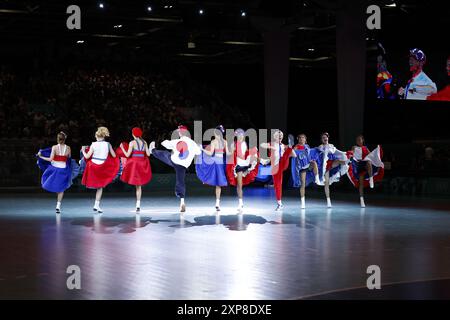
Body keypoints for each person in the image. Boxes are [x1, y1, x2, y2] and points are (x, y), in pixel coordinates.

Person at [149, 125, 201, 213]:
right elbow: (198, 152)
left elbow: (165, 144)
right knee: (180, 181)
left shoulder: (177, 141)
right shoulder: (192, 143)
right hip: (184, 165)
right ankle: (182, 201)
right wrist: (197, 147)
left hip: (174, 161)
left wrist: (163, 141)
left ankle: (153, 151)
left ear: (181, 133)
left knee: (165, 154)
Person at [37, 132, 79, 213]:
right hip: (63, 170)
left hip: (54, 169)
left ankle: (58, 205)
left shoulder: (54, 147)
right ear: (64, 139)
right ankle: (58, 205)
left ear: (57, 139)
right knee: (61, 188)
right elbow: (69, 159)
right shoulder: (68, 148)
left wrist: (41, 156)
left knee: (57, 186)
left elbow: (50, 159)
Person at [81, 126, 120, 213]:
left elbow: (87, 156)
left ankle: (96, 205)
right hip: (102, 167)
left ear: (97, 136)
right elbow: (114, 156)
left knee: (84, 160)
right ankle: (96, 205)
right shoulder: (108, 144)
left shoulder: (93, 144)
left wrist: (83, 150)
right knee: (100, 187)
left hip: (93, 167)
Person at [195, 125, 231, 211]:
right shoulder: (225, 142)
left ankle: (206, 179)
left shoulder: (214, 141)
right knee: (218, 185)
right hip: (221, 163)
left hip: (216, 162)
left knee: (211, 175)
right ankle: (217, 203)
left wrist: (203, 149)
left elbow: (210, 153)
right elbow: (228, 154)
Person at [260, 130, 295, 211]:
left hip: (283, 164)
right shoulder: (272, 144)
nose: (280, 136)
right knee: (277, 185)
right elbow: (262, 145)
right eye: (278, 135)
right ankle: (279, 204)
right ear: (275, 136)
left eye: (281, 135)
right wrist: (270, 146)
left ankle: (290, 146)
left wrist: (290, 150)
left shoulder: (283, 146)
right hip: (275, 167)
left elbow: (294, 155)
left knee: (285, 156)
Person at [118, 127, 152, 213]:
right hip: (141, 164)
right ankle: (138, 205)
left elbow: (127, 154)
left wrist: (122, 148)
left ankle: (137, 205)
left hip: (134, 165)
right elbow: (148, 154)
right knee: (139, 186)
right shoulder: (144, 142)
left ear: (133, 134)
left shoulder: (132, 142)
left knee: (136, 185)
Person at [226, 128, 259, 213]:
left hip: (245, 163)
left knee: (255, 154)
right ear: (236, 136)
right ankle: (240, 203)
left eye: (242, 135)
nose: (240, 137)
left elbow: (245, 154)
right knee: (239, 185)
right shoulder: (234, 144)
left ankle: (262, 160)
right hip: (238, 165)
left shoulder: (244, 144)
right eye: (239, 135)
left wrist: (252, 152)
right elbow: (229, 154)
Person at [346, 135, 384, 207]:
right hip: (357, 165)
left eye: (359, 140)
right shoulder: (354, 147)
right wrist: (349, 155)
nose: (358, 141)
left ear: (362, 140)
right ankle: (361, 199)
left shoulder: (365, 148)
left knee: (369, 161)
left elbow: (371, 155)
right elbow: (352, 153)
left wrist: (376, 153)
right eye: (357, 140)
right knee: (361, 183)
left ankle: (371, 179)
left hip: (364, 164)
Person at [314, 132, 349, 208]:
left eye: (326, 137)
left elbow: (337, 152)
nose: (325, 138)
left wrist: (345, 154)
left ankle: (348, 161)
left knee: (340, 162)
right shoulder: (320, 146)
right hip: (324, 166)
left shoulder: (331, 146)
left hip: (331, 162)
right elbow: (321, 152)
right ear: (321, 140)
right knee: (326, 184)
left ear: (328, 138)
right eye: (323, 138)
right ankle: (328, 201)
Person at [290, 134, 320, 209]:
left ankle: (317, 179)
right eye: (300, 138)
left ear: (305, 139)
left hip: (307, 164)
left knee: (314, 163)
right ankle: (303, 202)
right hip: (301, 167)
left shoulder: (307, 146)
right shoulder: (296, 147)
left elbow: (310, 155)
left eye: (302, 137)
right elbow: (293, 156)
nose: (301, 139)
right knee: (302, 185)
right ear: (298, 139)